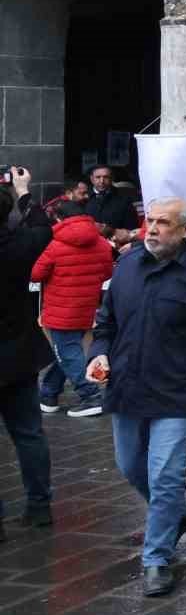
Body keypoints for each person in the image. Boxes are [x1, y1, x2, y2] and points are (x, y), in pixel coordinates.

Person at [88, 197, 186, 598]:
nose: (151, 229)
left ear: (185, 230)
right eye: (149, 221)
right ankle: (179, 515)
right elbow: (106, 323)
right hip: (127, 389)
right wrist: (99, 352)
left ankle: (156, 558)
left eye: (162, 223)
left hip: (177, 392)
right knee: (129, 466)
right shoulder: (126, 268)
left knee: (165, 477)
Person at [0, 167, 55, 540]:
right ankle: (39, 507)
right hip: (17, 358)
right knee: (29, 434)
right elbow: (42, 229)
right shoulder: (17, 248)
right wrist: (23, 193)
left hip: (15, 355)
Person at [32, 201, 115, 417]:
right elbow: (107, 273)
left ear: (59, 219)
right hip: (86, 307)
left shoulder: (56, 245)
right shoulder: (102, 243)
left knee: (67, 354)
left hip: (60, 309)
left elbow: (36, 274)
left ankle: (90, 396)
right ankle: (48, 394)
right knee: (68, 351)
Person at [86, 164, 139, 241]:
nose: (102, 181)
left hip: (116, 243)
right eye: (98, 177)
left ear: (112, 178)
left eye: (106, 177)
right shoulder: (83, 198)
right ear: (92, 179)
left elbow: (132, 229)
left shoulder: (124, 199)